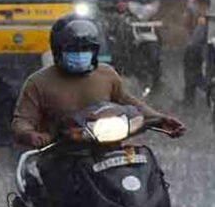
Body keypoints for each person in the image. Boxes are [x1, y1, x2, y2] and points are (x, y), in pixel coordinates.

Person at [12, 14, 185, 149]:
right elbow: (22, 120)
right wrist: (30, 134)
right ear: (58, 51)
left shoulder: (106, 74)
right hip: (61, 154)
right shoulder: (38, 82)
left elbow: (131, 103)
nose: (80, 55)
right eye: (73, 50)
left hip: (107, 151)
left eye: (86, 49)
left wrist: (160, 120)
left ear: (95, 51)